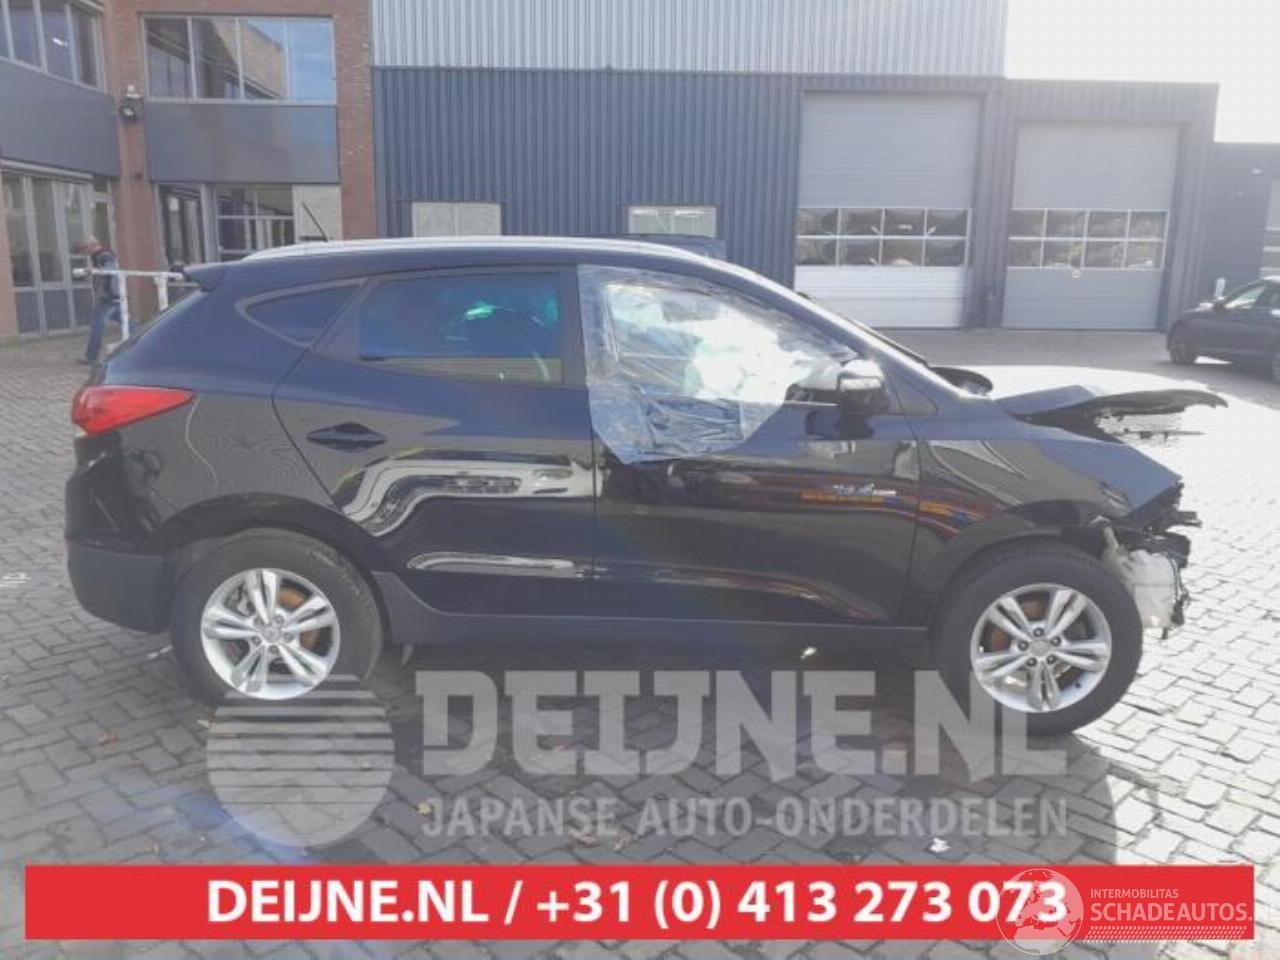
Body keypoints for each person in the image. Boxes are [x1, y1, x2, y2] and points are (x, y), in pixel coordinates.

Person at [77, 236, 121, 365]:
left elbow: (111, 271)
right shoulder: (100, 256)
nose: (84, 252)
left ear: (92, 246)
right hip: (113, 296)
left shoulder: (104, 256)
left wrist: (94, 271)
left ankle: (91, 356)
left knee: (97, 326)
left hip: (107, 297)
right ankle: (145, 340)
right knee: (128, 324)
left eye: (84, 248)